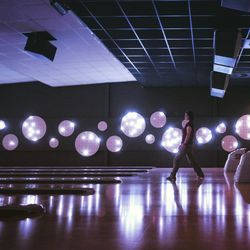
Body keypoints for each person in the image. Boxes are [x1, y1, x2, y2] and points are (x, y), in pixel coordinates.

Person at [167, 111, 204, 181]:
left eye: (186, 115)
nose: (184, 116)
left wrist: (184, 144)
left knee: (176, 159)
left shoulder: (189, 124)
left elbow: (188, 134)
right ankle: (200, 174)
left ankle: (173, 175)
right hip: (188, 145)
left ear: (188, 116)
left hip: (186, 145)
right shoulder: (190, 124)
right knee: (192, 161)